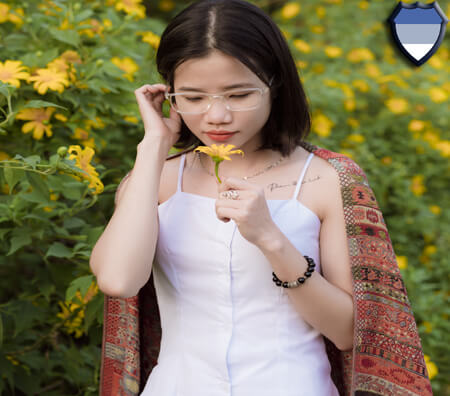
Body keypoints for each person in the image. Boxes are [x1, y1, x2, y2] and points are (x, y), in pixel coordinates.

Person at [90, 1, 432, 395]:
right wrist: (154, 146)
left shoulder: (325, 179)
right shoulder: (157, 177)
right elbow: (117, 279)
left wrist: (272, 240)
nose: (216, 116)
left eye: (238, 95)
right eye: (194, 98)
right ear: (169, 96)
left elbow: (347, 332)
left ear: (276, 86)